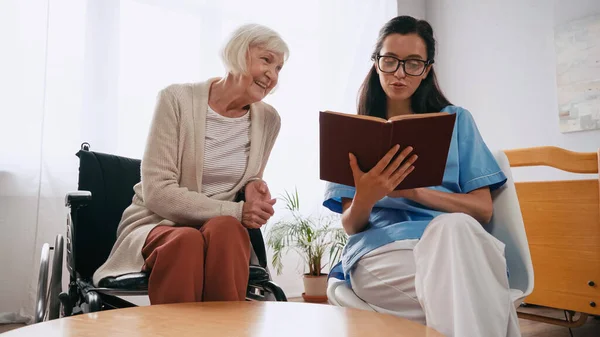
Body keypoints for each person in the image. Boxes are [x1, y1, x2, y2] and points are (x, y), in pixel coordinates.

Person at [323, 16, 521, 337]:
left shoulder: (457, 121)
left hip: (460, 246)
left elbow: (483, 210)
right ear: (376, 63)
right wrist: (366, 197)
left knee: (451, 227)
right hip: (385, 251)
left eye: (412, 63)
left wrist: (416, 193)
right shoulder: (353, 132)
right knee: (470, 292)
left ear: (427, 69)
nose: (400, 73)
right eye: (390, 61)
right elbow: (350, 225)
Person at [92, 23, 289, 304]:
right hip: (160, 223)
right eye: (266, 60)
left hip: (222, 230)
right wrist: (237, 211)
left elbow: (247, 180)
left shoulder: (269, 120)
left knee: (228, 229)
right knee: (187, 241)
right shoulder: (177, 100)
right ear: (237, 54)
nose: (272, 75)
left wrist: (253, 186)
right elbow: (158, 192)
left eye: (279, 68)